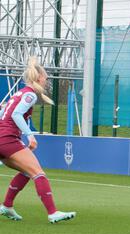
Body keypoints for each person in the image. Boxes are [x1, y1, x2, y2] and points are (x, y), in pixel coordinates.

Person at [0, 57, 76, 224]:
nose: (47, 79)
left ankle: (7, 205)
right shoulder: (30, 95)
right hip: (7, 139)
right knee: (38, 173)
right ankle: (53, 213)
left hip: (2, 139)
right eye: (45, 76)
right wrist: (30, 135)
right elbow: (16, 114)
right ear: (38, 77)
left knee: (27, 172)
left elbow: (3, 114)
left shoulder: (18, 93)